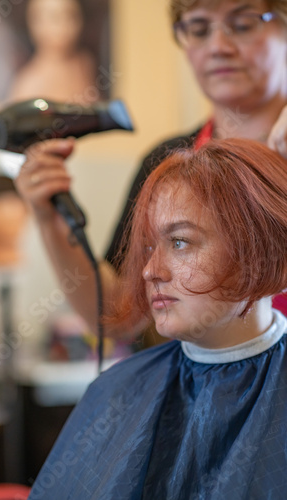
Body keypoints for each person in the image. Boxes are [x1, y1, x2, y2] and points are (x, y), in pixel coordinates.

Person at [27, 138, 287, 499]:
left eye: (180, 242)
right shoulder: (116, 392)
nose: (150, 270)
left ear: (263, 249)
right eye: (149, 247)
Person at [15, 0, 287, 340]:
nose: (218, 46)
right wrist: (49, 217)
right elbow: (117, 318)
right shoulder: (168, 165)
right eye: (199, 30)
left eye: (244, 24)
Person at [10, 0, 99, 104]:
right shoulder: (29, 83)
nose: (65, 25)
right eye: (55, 18)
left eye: (71, 16)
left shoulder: (85, 64)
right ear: (35, 23)